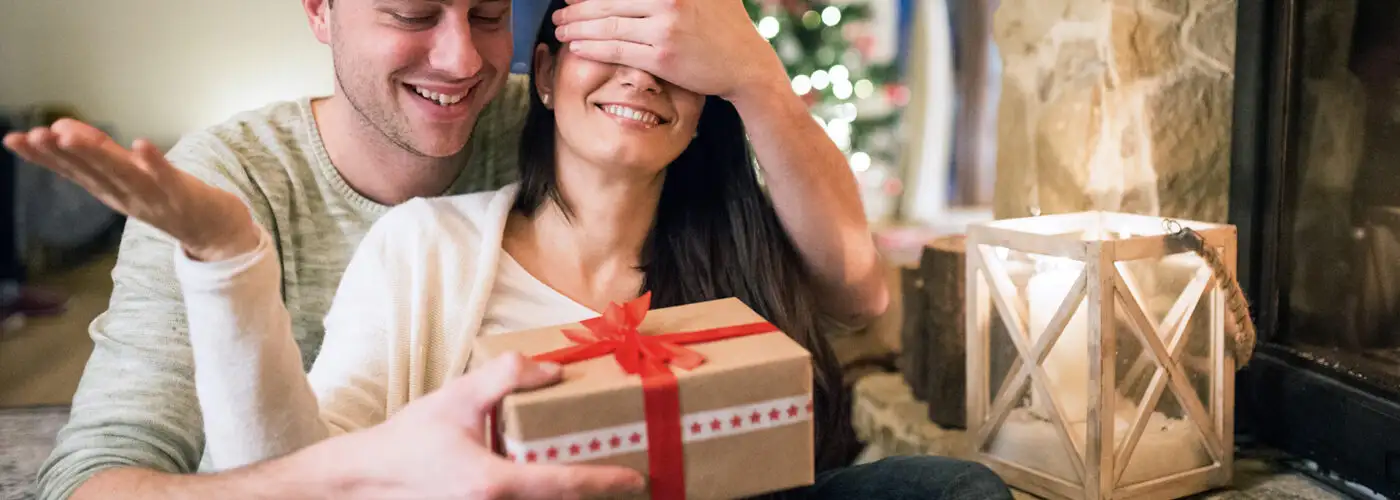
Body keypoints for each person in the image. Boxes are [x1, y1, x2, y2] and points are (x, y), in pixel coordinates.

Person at [2, 0, 1009, 498]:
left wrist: (755, 73)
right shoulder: (406, 237)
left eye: (484, 14)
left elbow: (856, 288)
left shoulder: (708, 204)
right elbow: (149, 471)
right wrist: (228, 256)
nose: (456, 60)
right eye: (410, 11)